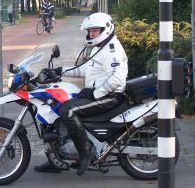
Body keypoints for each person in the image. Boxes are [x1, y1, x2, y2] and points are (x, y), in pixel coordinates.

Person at [34, 12, 128, 176]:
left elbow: (118, 78)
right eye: (90, 31)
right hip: (98, 93)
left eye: (94, 31)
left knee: (67, 111)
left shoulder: (112, 50)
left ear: (105, 29)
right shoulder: (100, 47)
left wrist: (96, 94)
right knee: (56, 107)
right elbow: (85, 69)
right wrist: (59, 71)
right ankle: (57, 160)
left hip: (109, 97)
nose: (91, 34)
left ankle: (85, 153)